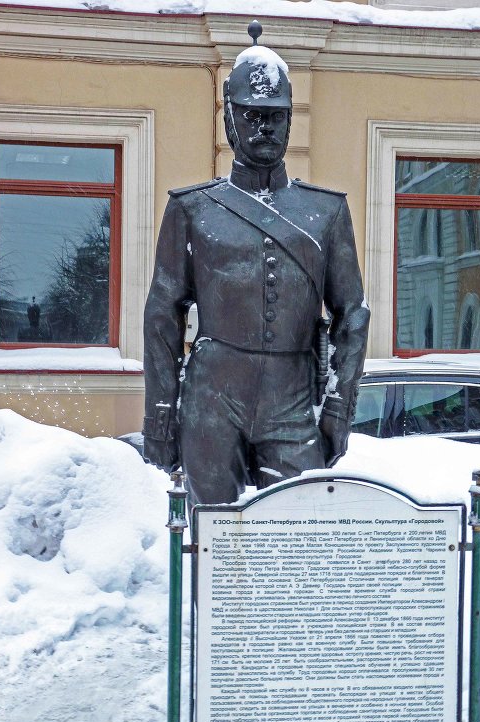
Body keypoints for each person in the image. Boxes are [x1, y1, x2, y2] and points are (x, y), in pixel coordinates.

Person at [143, 22, 370, 508]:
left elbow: (353, 313)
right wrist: (161, 414)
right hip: (212, 396)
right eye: (251, 115)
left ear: (290, 122)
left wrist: (338, 406)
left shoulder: (325, 213)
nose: (264, 127)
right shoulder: (192, 210)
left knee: (298, 529)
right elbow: (163, 311)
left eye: (276, 116)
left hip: (291, 398)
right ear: (230, 121)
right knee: (214, 539)